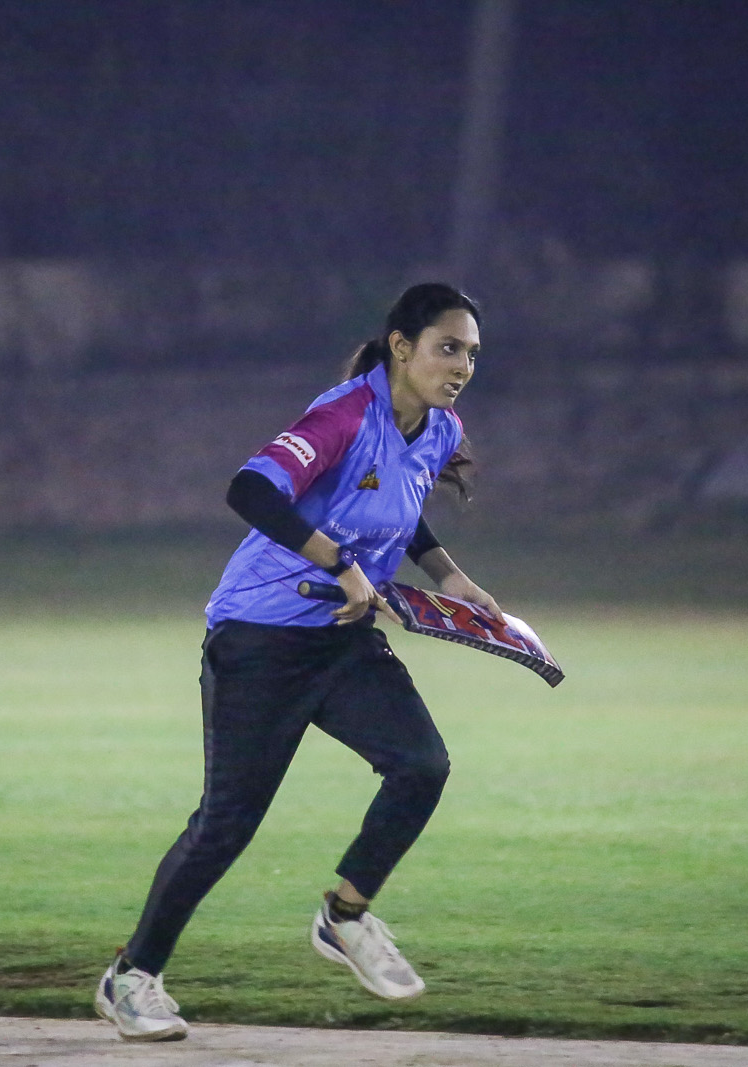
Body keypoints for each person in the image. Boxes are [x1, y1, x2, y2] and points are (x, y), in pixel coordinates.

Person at [94, 282, 503, 1042]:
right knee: (227, 825)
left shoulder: (439, 427)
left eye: (472, 353)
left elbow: (398, 502)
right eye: (448, 348)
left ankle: (345, 915)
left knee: (422, 765)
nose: (462, 366)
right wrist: (340, 562)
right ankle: (132, 976)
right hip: (260, 639)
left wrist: (450, 577)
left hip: (342, 638)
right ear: (401, 347)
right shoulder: (344, 413)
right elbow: (251, 489)